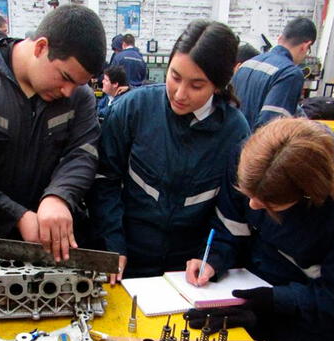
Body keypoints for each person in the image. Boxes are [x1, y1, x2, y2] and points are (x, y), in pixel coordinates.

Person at [185, 118, 334, 341]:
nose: (252, 205)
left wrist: (277, 300)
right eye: (248, 193)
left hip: (314, 310)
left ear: (309, 193)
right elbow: (231, 224)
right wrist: (214, 258)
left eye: (269, 203)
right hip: (253, 287)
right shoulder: (249, 158)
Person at [89, 20, 250, 282]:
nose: (180, 93)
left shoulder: (234, 133)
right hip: (126, 262)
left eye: (196, 86)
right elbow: (104, 181)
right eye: (174, 77)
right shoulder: (134, 110)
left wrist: (213, 257)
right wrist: (112, 245)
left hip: (187, 275)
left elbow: (233, 213)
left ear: (218, 85)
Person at [0, 4, 105, 262]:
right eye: (65, 77)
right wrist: (16, 215)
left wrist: (58, 196)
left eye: (78, 83)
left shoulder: (80, 99)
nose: (68, 92)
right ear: (41, 47)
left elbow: (82, 154)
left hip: (45, 250)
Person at [233, 17, 316, 129]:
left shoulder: (248, 63)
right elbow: (271, 126)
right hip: (255, 145)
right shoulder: (290, 73)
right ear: (305, 46)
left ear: (280, 38)